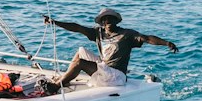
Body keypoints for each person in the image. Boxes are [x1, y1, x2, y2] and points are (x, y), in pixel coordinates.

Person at [42, 7, 178, 92]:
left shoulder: (127, 34)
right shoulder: (98, 33)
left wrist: (166, 43)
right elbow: (77, 27)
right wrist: (55, 22)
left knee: (81, 63)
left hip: (116, 76)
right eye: (104, 19)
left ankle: (57, 86)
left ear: (117, 21)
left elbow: (147, 38)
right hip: (105, 68)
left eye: (110, 19)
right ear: (101, 22)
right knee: (81, 51)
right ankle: (64, 79)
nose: (107, 21)